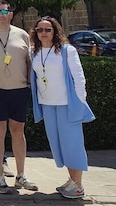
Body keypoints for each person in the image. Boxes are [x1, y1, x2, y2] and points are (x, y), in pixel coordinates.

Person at [0, 0, 38, 193]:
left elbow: (29, 61)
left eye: (4, 11)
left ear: (10, 14)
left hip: (19, 89)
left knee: (18, 130)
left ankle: (20, 175)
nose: (1, 14)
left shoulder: (22, 34)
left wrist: (29, 84)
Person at [30, 16, 93, 200]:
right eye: (40, 30)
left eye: (48, 30)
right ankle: (71, 180)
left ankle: (79, 184)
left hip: (67, 104)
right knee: (59, 144)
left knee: (72, 144)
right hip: (48, 104)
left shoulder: (67, 51)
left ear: (55, 31)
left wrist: (80, 102)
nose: (44, 33)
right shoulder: (35, 52)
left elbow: (79, 79)